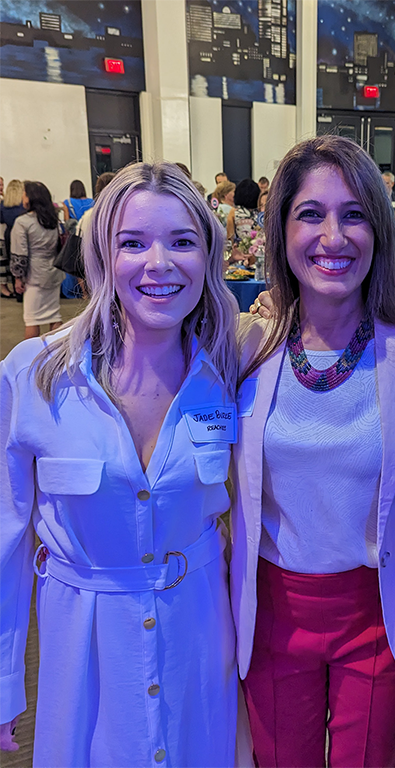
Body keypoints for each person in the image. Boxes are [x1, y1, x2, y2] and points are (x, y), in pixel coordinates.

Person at [0, 162, 245, 767]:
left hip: (199, 633)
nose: (158, 263)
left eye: (182, 241)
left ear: (208, 257)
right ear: (102, 256)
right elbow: (5, 539)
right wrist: (4, 683)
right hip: (81, 644)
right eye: (132, 242)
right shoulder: (34, 374)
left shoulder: (235, 365)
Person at [230, 134, 395, 768]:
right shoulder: (249, 348)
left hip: (378, 614)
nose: (334, 235)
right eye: (311, 214)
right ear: (281, 231)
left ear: (379, 231)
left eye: (355, 214)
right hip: (272, 613)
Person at [10, 181, 63, 338]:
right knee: (54, 316)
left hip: (34, 277)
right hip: (54, 273)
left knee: (32, 319)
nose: (22, 197)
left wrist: (18, 277)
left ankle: (31, 358)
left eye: (24, 193)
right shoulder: (54, 220)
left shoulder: (23, 222)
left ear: (30, 198)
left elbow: (20, 254)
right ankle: (58, 355)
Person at [226, 178, 261, 266]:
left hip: (240, 255)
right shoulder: (260, 213)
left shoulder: (234, 212)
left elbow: (230, 236)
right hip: (258, 254)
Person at [0, 179, 25, 298]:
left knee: (12, 261)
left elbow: (1, 219)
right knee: (22, 260)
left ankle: (17, 291)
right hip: (22, 233)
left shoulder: (3, 204)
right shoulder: (23, 205)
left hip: (8, 234)